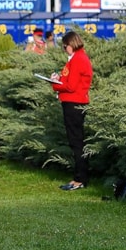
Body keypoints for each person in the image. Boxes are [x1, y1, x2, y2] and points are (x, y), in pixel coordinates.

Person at [50, 31, 93, 191]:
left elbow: (70, 86)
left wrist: (54, 84)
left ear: (71, 44)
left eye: (65, 46)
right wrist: (58, 79)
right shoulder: (77, 58)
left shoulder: (78, 59)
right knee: (76, 141)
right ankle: (79, 177)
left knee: (76, 142)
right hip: (74, 102)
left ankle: (80, 179)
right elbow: (69, 81)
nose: (64, 49)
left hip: (74, 103)